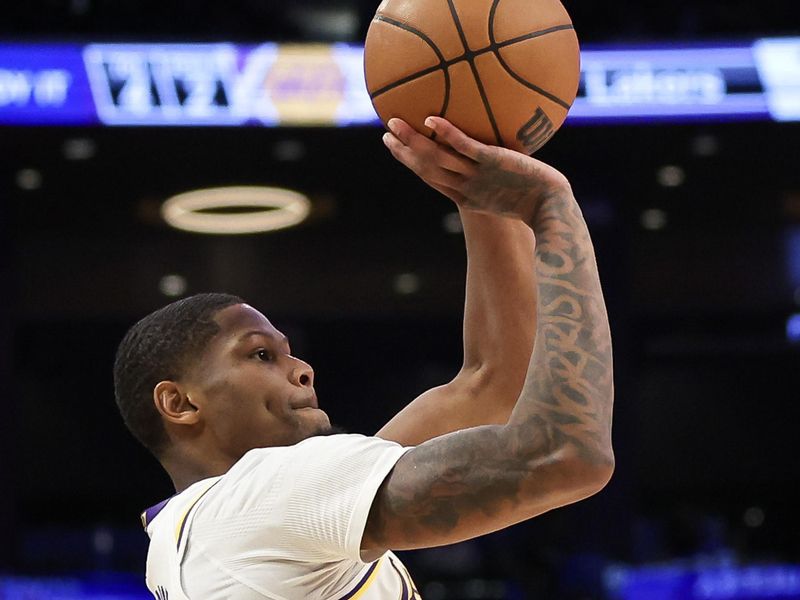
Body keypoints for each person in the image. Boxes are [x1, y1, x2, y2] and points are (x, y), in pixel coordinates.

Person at [114, 117, 615, 599]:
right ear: (178, 403)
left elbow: (493, 384)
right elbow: (566, 454)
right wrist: (551, 209)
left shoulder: (199, 532)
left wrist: (478, 189)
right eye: (261, 354)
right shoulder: (271, 497)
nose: (302, 369)